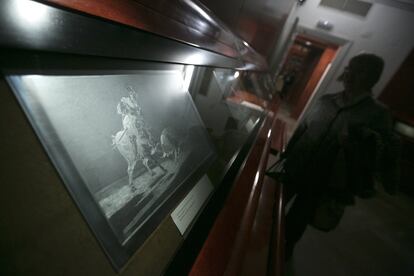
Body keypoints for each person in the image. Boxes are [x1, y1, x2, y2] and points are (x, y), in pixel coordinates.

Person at [271, 53, 400, 259]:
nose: (349, 74)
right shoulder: (326, 100)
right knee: (273, 207)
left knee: (298, 219)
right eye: (350, 68)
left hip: (326, 179)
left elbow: (381, 153)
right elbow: (303, 129)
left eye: (358, 71)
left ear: (372, 78)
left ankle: (282, 252)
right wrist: (287, 154)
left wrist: (356, 143)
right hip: (296, 166)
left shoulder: (377, 113)